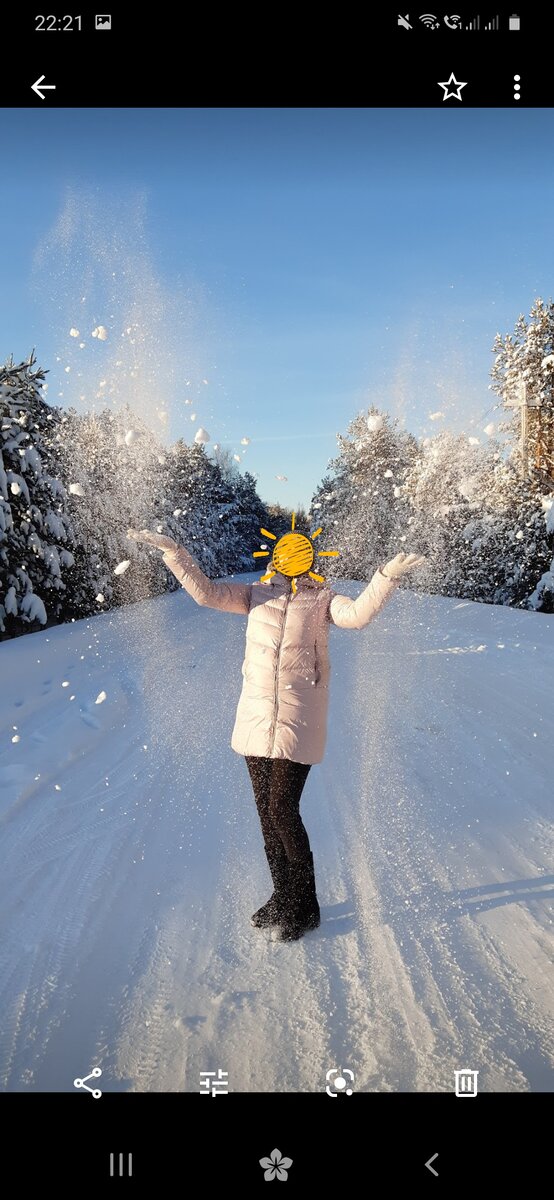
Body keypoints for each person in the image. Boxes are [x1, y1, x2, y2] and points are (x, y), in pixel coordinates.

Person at [127, 525, 426, 942]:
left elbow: (356, 617)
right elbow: (206, 593)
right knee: (267, 815)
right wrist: (175, 552)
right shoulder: (255, 595)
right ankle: (283, 895)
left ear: (311, 559)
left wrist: (386, 575)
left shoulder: (323, 600)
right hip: (255, 717)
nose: (289, 558)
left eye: (298, 551)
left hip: (299, 717)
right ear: (275, 557)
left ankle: (306, 905)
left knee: (283, 808)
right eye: (285, 551)